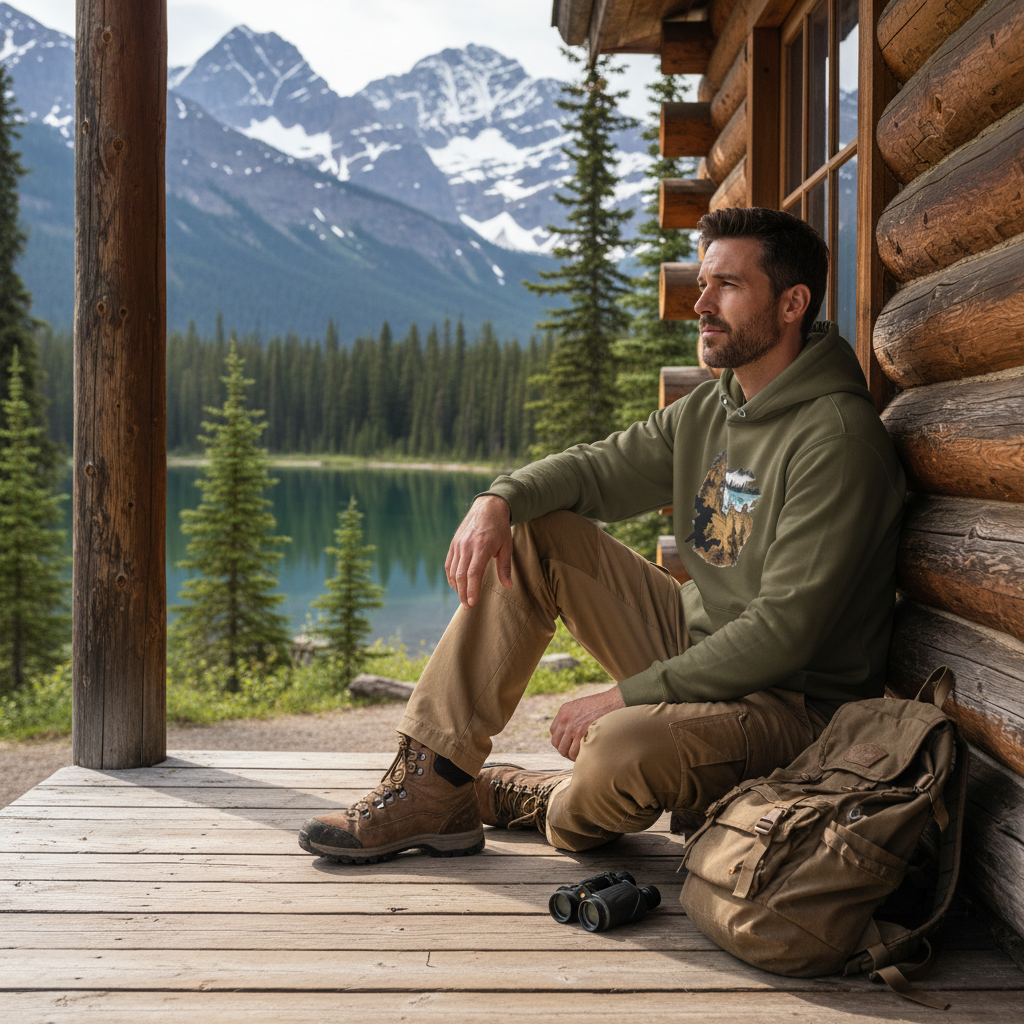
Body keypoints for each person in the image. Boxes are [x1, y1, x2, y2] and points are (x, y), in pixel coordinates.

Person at [298, 207, 907, 864]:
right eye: (703, 283)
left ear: (792, 304)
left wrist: (625, 696)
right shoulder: (711, 407)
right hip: (695, 642)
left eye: (726, 286)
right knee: (535, 533)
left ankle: (539, 800)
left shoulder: (837, 441)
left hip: (793, 708)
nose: (701, 304)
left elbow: (783, 634)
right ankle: (434, 783)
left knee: (617, 746)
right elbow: (597, 469)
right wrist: (498, 498)